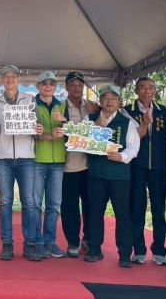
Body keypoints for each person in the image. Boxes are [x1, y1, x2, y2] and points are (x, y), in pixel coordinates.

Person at [0, 64, 41, 262]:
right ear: (1, 80)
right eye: (6, 77)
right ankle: (7, 243)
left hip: (26, 157)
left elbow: (36, 128)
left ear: (19, 80)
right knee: (5, 202)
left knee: (29, 202)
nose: (10, 80)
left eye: (13, 76)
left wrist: (38, 129)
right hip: (3, 158)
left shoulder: (30, 99)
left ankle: (30, 244)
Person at [84, 85, 140, 268]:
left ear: (119, 101)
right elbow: (79, 142)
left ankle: (124, 255)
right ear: (100, 101)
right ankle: (94, 250)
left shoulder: (127, 122)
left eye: (113, 98)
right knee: (94, 214)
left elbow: (133, 147)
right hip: (96, 175)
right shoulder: (90, 119)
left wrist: (122, 156)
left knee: (122, 215)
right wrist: (95, 127)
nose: (109, 101)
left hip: (119, 176)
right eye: (105, 98)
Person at [123, 77, 166, 266]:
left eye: (150, 88)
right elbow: (129, 138)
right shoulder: (127, 111)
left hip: (159, 166)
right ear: (136, 91)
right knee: (136, 208)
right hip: (137, 166)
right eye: (142, 88)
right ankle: (139, 250)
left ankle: (159, 251)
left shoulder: (163, 111)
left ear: (154, 91)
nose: (146, 91)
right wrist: (144, 124)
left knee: (159, 210)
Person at [60, 72, 99, 257]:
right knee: (70, 207)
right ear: (66, 87)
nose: (77, 88)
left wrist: (95, 114)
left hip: (92, 167)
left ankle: (88, 240)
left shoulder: (93, 106)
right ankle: (72, 242)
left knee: (91, 206)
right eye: (73, 85)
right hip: (69, 165)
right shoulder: (60, 108)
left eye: (80, 85)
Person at [32, 70, 67, 259]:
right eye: (44, 83)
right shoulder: (30, 105)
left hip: (58, 162)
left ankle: (50, 242)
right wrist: (47, 135)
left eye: (51, 83)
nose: (48, 86)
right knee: (36, 205)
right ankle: (37, 242)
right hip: (37, 160)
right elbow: (28, 132)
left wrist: (64, 123)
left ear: (55, 86)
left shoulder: (62, 106)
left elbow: (74, 132)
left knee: (53, 205)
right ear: (37, 86)